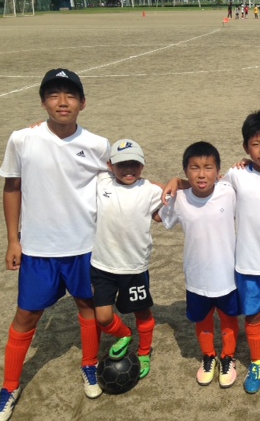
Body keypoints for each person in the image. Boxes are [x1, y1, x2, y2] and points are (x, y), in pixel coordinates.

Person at [0, 68, 109, 421]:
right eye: (54, 95)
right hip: (39, 249)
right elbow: (12, 187)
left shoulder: (98, 144)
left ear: (82, 103)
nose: (62, 102)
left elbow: (121, 181)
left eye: (70, 95)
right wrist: (13, 240)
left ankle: (89, 364)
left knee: (87, 306)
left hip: (84, 244)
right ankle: (9, 387)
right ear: (43, 102)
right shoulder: (23, 139)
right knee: (27, 314)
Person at [163, 110, 260, 394]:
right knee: (252, 316)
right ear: (245, 147)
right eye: (255, 144)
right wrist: (178, 181)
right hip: (248, 263)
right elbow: (204, 182)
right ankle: (256, 362)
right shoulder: (236, 176)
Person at [156, 142, 240, 389]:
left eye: (208, 167)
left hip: (227, 275)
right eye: (194, 168)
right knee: (202, 320)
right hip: (197, 276)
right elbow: (161, 217)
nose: (201, 174)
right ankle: (209, 356)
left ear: (218, 171)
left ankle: (228, 357)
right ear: (185, 171)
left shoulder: (229, 192)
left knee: (229, 319)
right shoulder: (179, 199)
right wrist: (174, 184)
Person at [90, 139, 163, 380]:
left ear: (143, 165)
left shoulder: (149, 190)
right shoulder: (101, 181)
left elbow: (171, 197)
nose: (128, 169)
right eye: (122, 164)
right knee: (103, 316)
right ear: (110, 165)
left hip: (134, 267)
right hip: (102, 265)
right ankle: (124, 334)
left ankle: (144, 351)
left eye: (134, 164)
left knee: (142, 312)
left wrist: (175, 183)